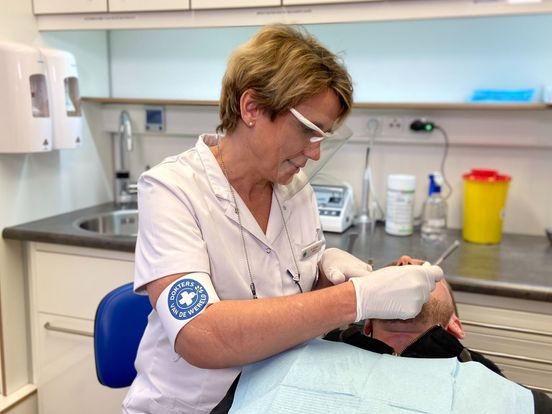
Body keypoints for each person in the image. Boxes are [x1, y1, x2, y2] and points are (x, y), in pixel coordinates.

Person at [123, 24, 443, 414]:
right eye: (308, 131)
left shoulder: (295, 189)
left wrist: (328, 275)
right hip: (192, 406)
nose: (315, 153)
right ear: (252, 107)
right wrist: (355, 298)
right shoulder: (172, 189)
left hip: (279, 395)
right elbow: (199, 335)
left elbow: (295, 306)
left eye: (324, 136)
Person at [213, 257, 551, 413]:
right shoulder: (288, 361)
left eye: (425, 272)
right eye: (396, 271)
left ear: (455, 326)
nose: (405, 263)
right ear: (367, 323)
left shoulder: (517, 402)